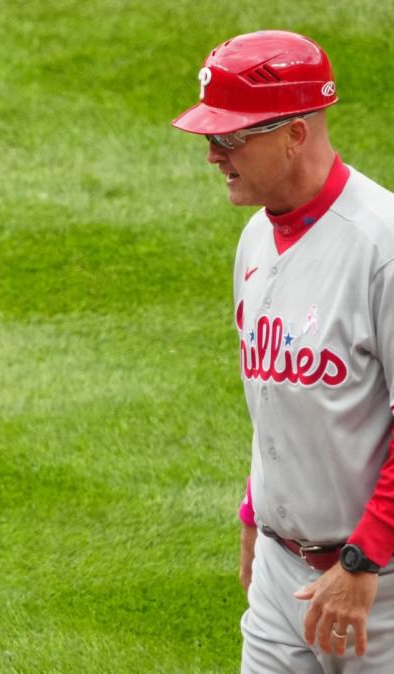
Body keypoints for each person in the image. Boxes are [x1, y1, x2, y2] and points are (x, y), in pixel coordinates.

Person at [173, 30, 394, 672]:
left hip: (378, 589)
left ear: (295, 133)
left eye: (230, 137)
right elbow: (281, 402)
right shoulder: (255, 238)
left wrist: (361, 560)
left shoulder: (380, 248)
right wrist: (255, 509)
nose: (214, 155)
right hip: (279, 575)